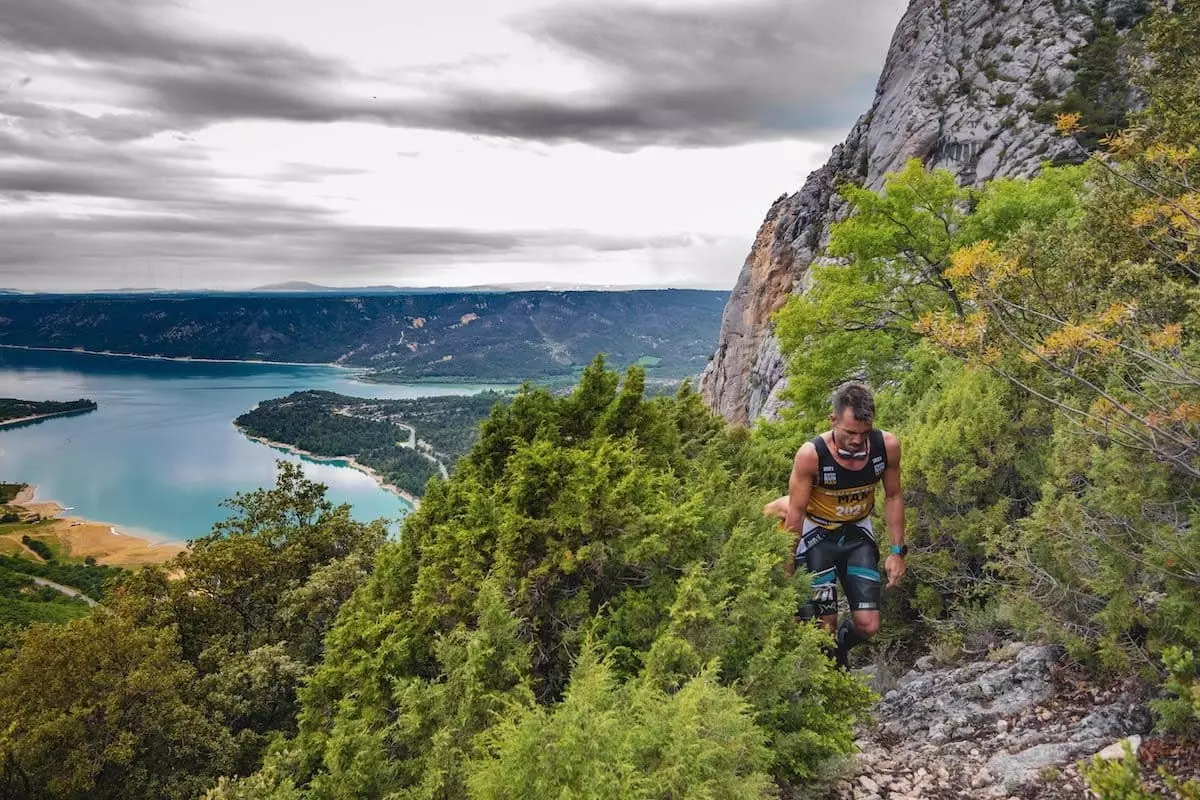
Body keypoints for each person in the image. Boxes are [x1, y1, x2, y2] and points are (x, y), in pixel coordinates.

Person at [764, 381, 906, 669]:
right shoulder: (811, 455)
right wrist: (787, 569)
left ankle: (842, 645)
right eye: (850, 432)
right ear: (833, 421)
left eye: (864, 433)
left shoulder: (886, 446)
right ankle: (832, 680)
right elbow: (797, 513)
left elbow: (893, 495)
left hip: (856, 532)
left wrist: (897, 551)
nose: (857, 440)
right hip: (817, 534)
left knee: (868, 626)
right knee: (822, 625)